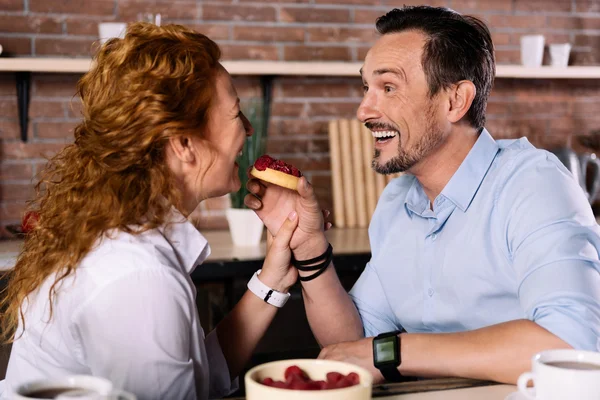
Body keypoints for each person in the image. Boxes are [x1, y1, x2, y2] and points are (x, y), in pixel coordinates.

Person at [245, 6, 600, 385]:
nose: (364, 110)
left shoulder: (533, 186)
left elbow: (573, 347)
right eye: (366, 88)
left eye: (388, 87)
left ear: (455, 101)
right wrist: (311, 248)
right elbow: (354, 347)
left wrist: (397, 351)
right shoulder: (397, 202)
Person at [0, 22, 303, 399]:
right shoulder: (139, 276)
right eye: (235, 114)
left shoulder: (116, 231)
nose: (249, 129)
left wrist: (272, 279)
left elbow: (194, 376)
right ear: (183, 143)